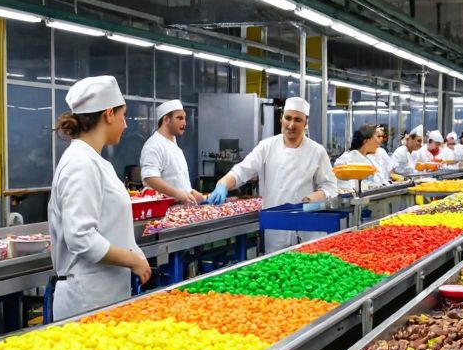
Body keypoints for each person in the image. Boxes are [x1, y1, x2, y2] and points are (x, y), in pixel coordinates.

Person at [48, 76, 151, 321]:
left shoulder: (96, 161)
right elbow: (80, 237)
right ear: (108, 114)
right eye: (123, 115)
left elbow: (110, 226)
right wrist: (131, 260)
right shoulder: (81, 163)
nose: (126, 125)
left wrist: (136, 254)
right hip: (86, 298)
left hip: (103, 294)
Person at [207, 96, 338, 251]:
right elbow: (241, 171)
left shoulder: (317, 151)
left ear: (306, 123)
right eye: (288, 118)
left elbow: (330, 186)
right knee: (276, 270)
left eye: (298, 120)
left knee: (307, 270)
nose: (291, 124)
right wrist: (223, 184)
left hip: (307, 227)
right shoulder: (266, 147)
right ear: (281, 118)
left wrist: (313, 197)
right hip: (275, 228)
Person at [140, 99, 202, 205]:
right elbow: (150, 178)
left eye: (184, 118)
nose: (184, 123)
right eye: (179, 118)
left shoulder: (175, 147)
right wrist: (178, 194)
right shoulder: (154, 145)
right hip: (163, 212)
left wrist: (190, 192)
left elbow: (177, 178)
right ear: (166, 119)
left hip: (180, 210)